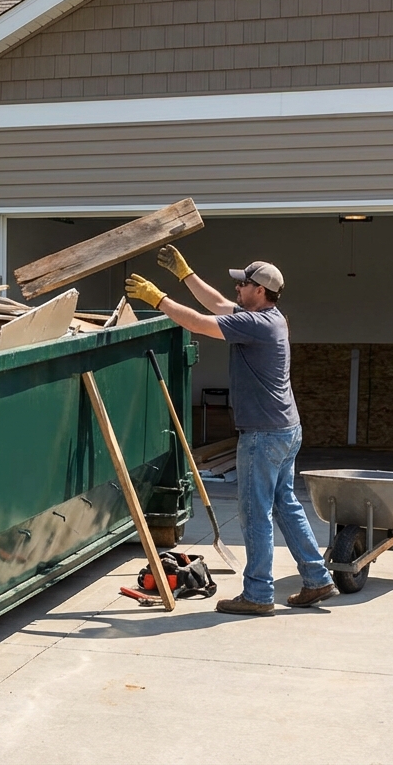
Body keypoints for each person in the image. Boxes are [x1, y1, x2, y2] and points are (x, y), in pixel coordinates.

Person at [124, 246, 335, 615]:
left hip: (263, 434)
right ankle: (317, 578)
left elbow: (198, 323)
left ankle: (258, 594)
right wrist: (186, 274)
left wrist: (158, 299)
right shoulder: (271, 318)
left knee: (255, 514)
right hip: (285, 428)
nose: (237, 288)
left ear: (260, 290)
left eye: (243, 284)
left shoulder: (255, 325)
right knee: (285, 504)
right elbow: (219, 304)